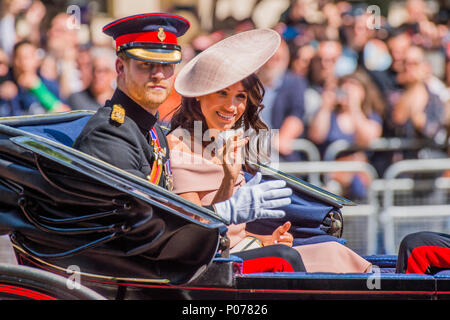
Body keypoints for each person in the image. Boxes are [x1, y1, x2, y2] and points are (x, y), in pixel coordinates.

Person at [73, 13, 304, 273]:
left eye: (167, 65)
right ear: (120, 68)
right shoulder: (110, 133)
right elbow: (141, 226)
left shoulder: (149, 131)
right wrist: (224, 211)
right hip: (141, 272)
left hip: (172, 259)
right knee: (285, 260)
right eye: (146, 65)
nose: (159, 74)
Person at [168, 29, 371, 273]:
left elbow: (237, 231)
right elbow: (199, 229)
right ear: (199, 96)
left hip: (244, 250)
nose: (232, 106)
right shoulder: (178, 146)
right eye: (222, 93)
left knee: (334, 249)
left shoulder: (223, 142)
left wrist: (268, 240)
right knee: (324, 257)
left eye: (240, 96)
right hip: (220, 264)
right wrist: (229, 181)